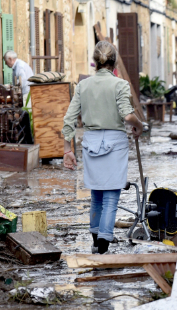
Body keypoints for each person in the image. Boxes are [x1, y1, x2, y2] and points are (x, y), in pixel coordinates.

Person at [62, 41, 144, 254]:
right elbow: (127, 115)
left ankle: (96, 239)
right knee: (110, 197)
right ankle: (103, 244)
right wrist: (139, 125)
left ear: (95, 63)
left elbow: (69, 119)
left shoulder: (83, 85)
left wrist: (67, 150)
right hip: (114, 142)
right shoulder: (120, 84)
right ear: (114, 62)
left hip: (90, 142)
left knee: (96, 194)